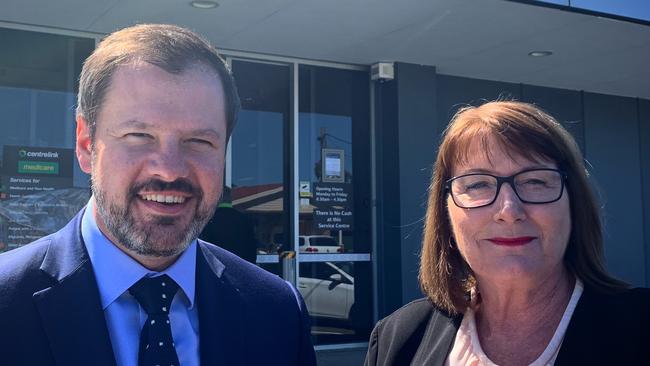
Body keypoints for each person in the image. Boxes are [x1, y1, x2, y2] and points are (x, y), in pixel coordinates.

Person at [0, 24, 316, 366]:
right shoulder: (8, 303)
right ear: (85, 143)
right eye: (139, 135)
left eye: (199, 142)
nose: (169, 170)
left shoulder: (277, 311)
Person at [365, 101, 650, 365]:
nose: (509, 209)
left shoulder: (639, 328)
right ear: (446, 213)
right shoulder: (397, 338)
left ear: (574, 203)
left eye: (535, 181)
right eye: (477, 185)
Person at [200, 186, 257, 263]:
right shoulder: (244, 219)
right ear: (231, 199)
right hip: (241, 266)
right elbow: (252, 249)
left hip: (215, 268)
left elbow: (202, 247)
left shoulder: (207, 219)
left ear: (217, 199)